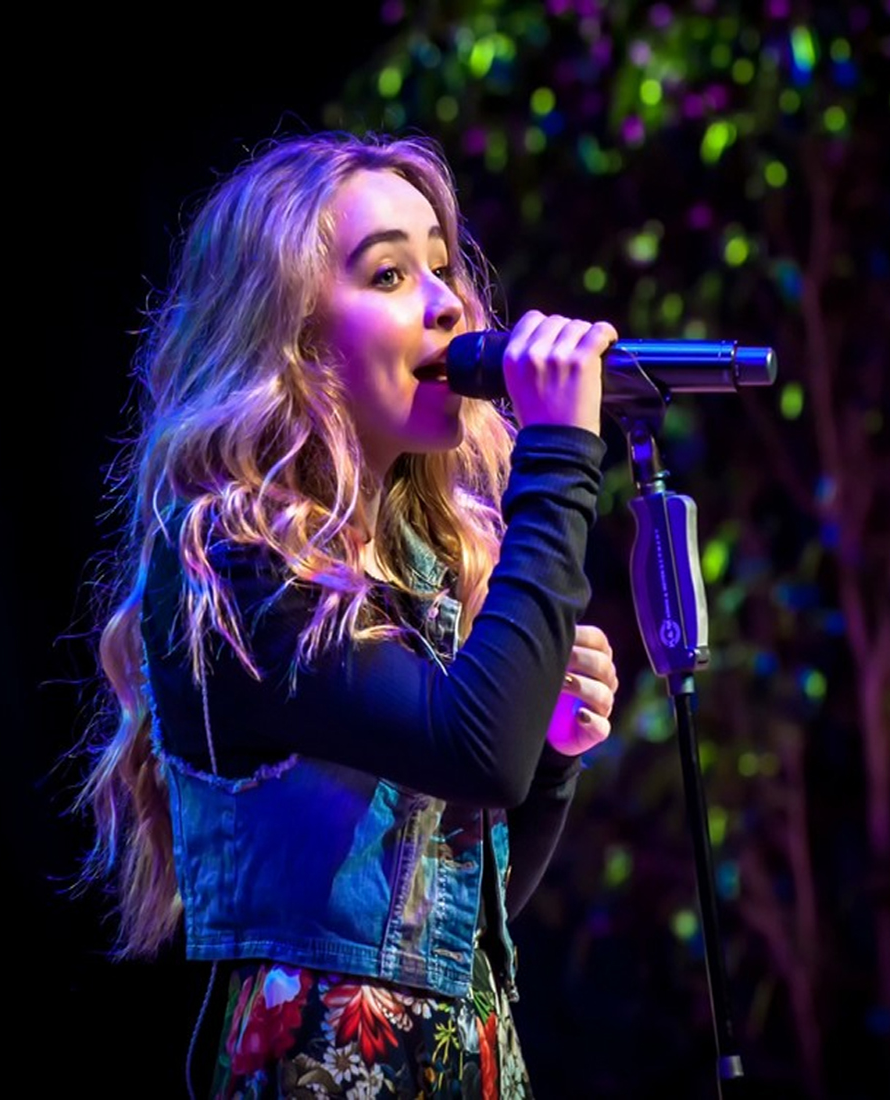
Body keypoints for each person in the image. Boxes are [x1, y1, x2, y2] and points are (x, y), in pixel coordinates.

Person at [72, 131, 622, 1099]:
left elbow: (467, 908)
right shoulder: (233, 563)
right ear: (289, 333)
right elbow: (475, 752)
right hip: (327, 1067)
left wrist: (553, 755)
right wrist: (561, 456)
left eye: (444, 268)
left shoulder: (426, 566)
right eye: (391, 274)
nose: (449, 304)